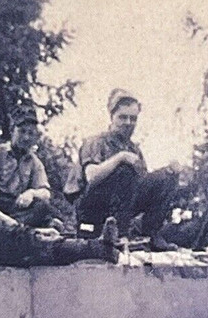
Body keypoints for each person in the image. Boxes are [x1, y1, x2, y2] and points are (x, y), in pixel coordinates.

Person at [0, 107, 118, 268]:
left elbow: (43, 193)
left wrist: (31, 223)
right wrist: (15, 226)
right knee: (12, 238)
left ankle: (92, 246)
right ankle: (95, 249)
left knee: (28, 230)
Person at [69, 89, 179, 252]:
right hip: (92, 208)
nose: (128, 123)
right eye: (122, 117)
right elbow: (91, 176)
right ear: (112, 117)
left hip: (121, 209)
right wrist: (121, 157)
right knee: (125, 169)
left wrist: (166, 175)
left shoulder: (133, 149)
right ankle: (120, 235)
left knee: (167, 175)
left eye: (133, 119)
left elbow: (140, 185)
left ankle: (151, 233)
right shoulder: (96, 142)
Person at [0, 105, 65, 231]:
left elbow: (45, 192)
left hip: (17, 209)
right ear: (12, 130)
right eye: (22, 131)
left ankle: (16, 229)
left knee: (43, 207)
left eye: (31, 133)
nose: (26, 137)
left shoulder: (34, 162)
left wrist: (32, 193)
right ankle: (18, 229)